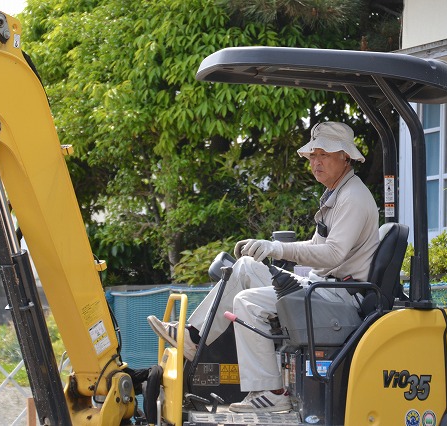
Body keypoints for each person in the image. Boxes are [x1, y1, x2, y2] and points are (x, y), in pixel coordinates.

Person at [147, 121, 380, 413]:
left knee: (247, 303)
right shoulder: (337, 194)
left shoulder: (353, 198)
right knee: (245, 266)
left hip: (338, 298)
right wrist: (268, 249)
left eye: (325, 155)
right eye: (313, 155)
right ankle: (194, 337)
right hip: (325, 289)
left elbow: (333, 254)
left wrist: (278, 249)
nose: (316, 162)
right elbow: (316, 246)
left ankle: (273, 390)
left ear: (345, 157)